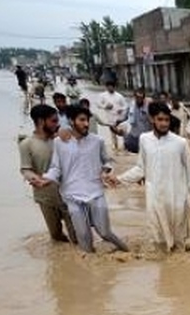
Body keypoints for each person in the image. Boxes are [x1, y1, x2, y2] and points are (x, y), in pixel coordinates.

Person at [34, 105, 129, 254]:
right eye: (82, 120)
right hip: (72, 196)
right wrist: (45, 179)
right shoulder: (60, 143)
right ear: (72, 121)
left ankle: (128, 252)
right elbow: (56, 168)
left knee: (104, 232)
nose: (86, 124)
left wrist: (106, 171)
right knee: (84, 237)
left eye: (87, 120)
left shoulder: (97, 141)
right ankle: (90, 269)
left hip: (95, 193)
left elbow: (107, 161)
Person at [118, 102, 190, 251]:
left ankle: (178, 270)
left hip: (177, 198)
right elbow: (141, 168)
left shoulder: (180, 143)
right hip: (155, 198)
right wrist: (119, 179)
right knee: (158, 239)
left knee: (179, 240)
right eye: (160, 119)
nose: (164, 123)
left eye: (167, 120)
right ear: (152, 119)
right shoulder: (144, 139)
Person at [18, 104, 76, 244]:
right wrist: (34, 178)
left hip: (68, 194)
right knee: (56, 235)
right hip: (45, 196)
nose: (57, 124)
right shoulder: (27, 144)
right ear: (40, 121)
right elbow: (25, 168)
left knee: (77, 235)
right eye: (53, 121)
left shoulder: (60, 140)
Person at [96, 81, 129, 152]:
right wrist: (105, 106)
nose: (110, 88)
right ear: (106, 87)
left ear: (114, 87)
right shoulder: (103, 96)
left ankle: (125, 145)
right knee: (113, 133)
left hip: (119, 118)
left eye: (112, 87)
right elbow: (98, 104)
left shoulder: (119, 96)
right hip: (110, 117)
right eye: (108, 87)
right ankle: (115, 147)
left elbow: (126, 105)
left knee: (122, 132)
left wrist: (121, 109)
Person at [120, 87, 151, 154]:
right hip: (134, 134)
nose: (139, 99)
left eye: (141, 97)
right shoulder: (131, 105)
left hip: (146, 135)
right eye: (137, 97)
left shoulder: (149, 106)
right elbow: (125, 117)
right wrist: (117, 122)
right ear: (134, 97)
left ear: (144, 98)